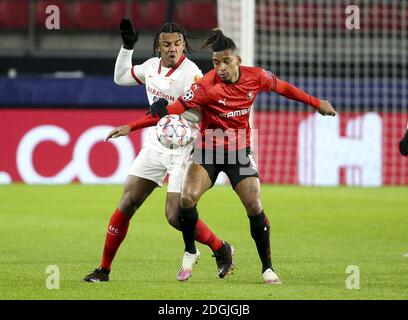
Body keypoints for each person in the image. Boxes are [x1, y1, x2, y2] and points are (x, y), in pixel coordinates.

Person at [105, 28, 336, 284]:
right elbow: (177, 107)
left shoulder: (256, 77)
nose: (221, 68)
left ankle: (268, 268)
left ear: (237, 60)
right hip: (208, 149)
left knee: (254, 204)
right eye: (216, 62)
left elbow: (283, 87)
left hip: (238, 149)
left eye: (226, 61)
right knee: (187, 199)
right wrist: (146, 118)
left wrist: (316, 103)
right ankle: (191, 251)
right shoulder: (205, 86)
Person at [83, 21, 233, 282]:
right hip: (156, 144)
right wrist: (127, 47)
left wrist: (172, 108)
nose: (173, 49)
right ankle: (104, 270)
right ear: (158, 47)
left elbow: (202, 114)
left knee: (175, 216)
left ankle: (221, 248)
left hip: (185, 149)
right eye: (166, 44)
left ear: (184, 44)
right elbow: (120, 78)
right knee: (127, 201)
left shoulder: (191, 73)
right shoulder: (151, 67)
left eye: (177, 44)